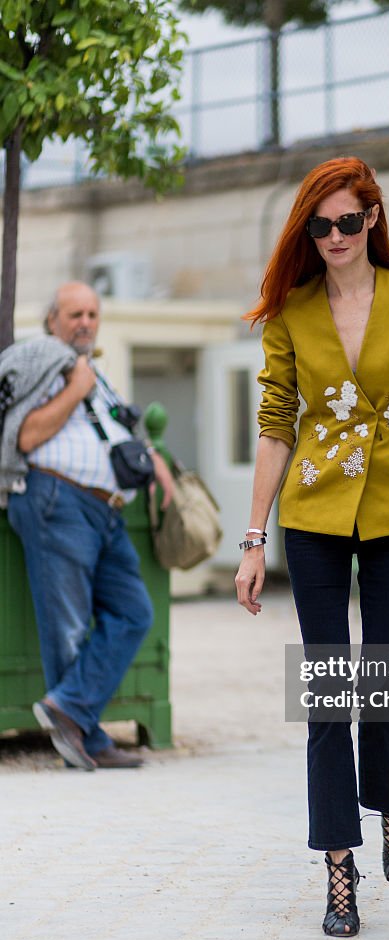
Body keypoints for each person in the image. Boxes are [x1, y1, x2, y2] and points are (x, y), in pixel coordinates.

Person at [235, 157, 389, 937]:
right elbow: (277, 423)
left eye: (348, 220)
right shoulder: (291, 312)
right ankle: (339, 874)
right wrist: (252, 539)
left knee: (378, 687)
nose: (335, 235)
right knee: (326, 697)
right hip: (312, 515)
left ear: (372, 218)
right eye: (320, 225)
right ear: (306, 231)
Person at [2, 281, 174, 770]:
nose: (85, 323)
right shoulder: (42, 362)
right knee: (69, 628)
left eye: (93, 315)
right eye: (75, 314)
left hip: (106, 510)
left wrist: (155, 463)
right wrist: (74, 388)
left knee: (135, 611)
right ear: (52, 320)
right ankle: (87, 738)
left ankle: (70, 710)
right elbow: (25, 435)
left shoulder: (94, 372)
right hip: (56, 499)